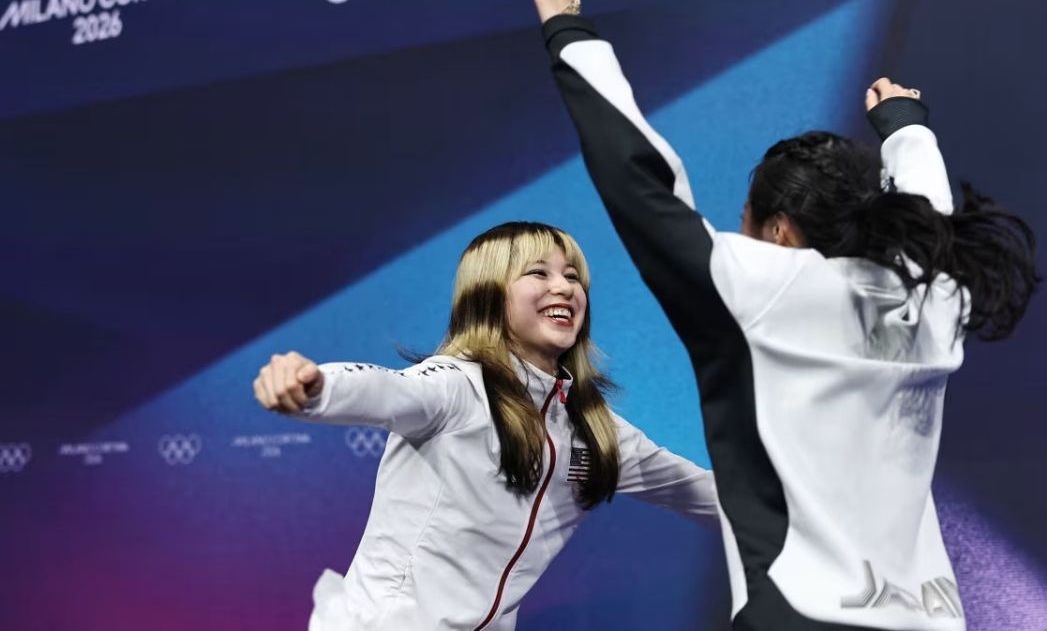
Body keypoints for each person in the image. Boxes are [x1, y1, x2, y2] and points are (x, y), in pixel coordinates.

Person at [512, 0, 1038, 630]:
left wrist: (569, 31)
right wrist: (907, 130)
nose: (738, 237)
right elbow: (930, 219)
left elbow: (637, 181)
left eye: (745, 221)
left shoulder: (763, 293)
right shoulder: (934, 295)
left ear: (780, 232)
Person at [253, 221, 719, 631]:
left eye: (573, 276)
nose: (564, 287)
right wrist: (313, 386)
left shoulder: (594, 428)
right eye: (539, 273)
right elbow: (385, 388)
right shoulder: (457, 386)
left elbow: (708, 495)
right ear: (489, 293)